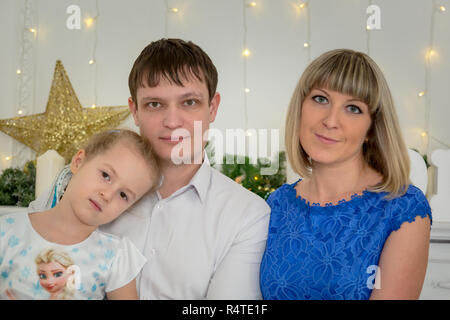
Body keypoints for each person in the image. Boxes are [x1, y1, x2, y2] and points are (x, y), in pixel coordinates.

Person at [29, 38, 271, 299]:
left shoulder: (247, 215)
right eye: (154, 104)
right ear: (134, 110)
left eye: (189, 102)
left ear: (212, 108)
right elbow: (29, 263)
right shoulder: (83, 185)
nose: (172, 121)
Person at [259, 49, 432, 300]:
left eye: (353, 108)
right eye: (320, 99)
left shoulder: (402, 209)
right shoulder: (276, 204)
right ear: (300, 107)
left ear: (372, 128)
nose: (331, 120)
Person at [1, 129, 161, 299]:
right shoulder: (7, 230)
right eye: (106, 175)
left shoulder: (116, 255)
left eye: (123, 195)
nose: (107, 195)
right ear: (78, 162)